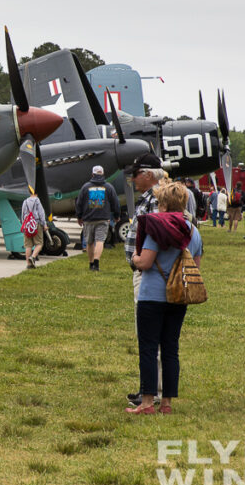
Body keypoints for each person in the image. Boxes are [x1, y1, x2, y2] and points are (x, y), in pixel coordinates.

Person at [126, 180, 203, 415]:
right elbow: (195, 266)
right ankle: (167, 402)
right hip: (179, 296)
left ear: (163, 203)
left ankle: (148, 402)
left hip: (152, 295)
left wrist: (134, 259)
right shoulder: (193, 230)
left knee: (149, 347)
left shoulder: (156, 227)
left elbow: (146, 262)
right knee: (171, 348)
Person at [123, 152, 165, 408]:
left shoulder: (157, 199)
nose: (132, 178)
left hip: (148, 272)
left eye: (136, 174)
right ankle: (150, 386)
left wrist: (140, 261)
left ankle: (152, 390)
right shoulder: (149, 198)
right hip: (143, 271)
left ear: (149, 174)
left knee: (149, 334)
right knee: (147, 334)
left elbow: (157, 237)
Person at [75, 165, 120, 272]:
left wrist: (79, 216)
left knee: (89, 242)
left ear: (92, 174)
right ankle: (96, 263)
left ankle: (91, 264)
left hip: (88, 219)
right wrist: (117, 216)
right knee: (100, 241)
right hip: (103, 218)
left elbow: (79, 203)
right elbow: (115, 203)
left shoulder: (85, 187)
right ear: (103, 174)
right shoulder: (109, 187)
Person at [21, 189, 48, 269]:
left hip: (27, 225)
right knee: (39, 243)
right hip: (36, 224)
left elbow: (22, 214)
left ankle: (28, 265)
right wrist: (44, 225)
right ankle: (33, 257)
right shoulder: (37, 201)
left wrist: (24, 224)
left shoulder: (25, 201)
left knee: (28, 245)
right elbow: (41, 213)